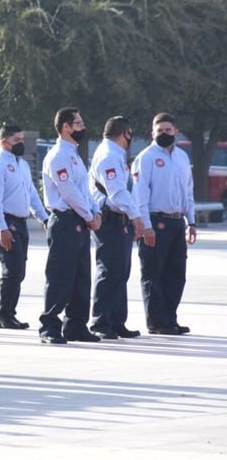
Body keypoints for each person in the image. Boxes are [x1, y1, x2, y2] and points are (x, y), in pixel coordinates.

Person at [39, 107, 102, 344]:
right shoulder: (58, 156)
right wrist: (88, 215)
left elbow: (84, 190)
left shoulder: (75, 155)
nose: (82, 127)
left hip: (80, 220)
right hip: (65, 221)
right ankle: (49, 327)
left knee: (80, 277)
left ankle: (76, 325)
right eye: (78, 123)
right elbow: (68, 192)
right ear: (66, 126)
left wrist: (95, 211)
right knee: (60, 276)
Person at [131, 112, 196, 335]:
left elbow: (188, 191)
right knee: (153, 273)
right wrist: (145, 226)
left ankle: (170, 318)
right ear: (152, 133)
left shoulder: (182, 158)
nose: (164, 134)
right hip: (156, 221)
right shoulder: (146, 157)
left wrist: (192, 221)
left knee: (176, 273)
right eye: (160, 131)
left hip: (177, 222)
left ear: (176, 132)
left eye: (168, 130)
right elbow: (140, 195)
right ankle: (157, 322)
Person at [0, 125, 48, 330]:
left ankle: (8, 311)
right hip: (4, 222)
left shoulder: (23, 165)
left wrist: (44, 218)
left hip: (20, 222)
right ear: (4, 142)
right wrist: (1, 228)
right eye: (17, 140)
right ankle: (3, 313)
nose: (21, 143)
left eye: (22, 139)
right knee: (12, 270)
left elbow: (32, 194)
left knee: (19, 271)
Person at [88, 117, 145, 339]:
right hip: (110, 219)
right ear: (126, 133)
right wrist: (136, 216)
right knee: (109, 270)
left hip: (118, 218)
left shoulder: (116, 155)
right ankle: (101, 321)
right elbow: (118, 192)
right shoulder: (109, 156)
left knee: (120, 272)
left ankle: (116, 321)